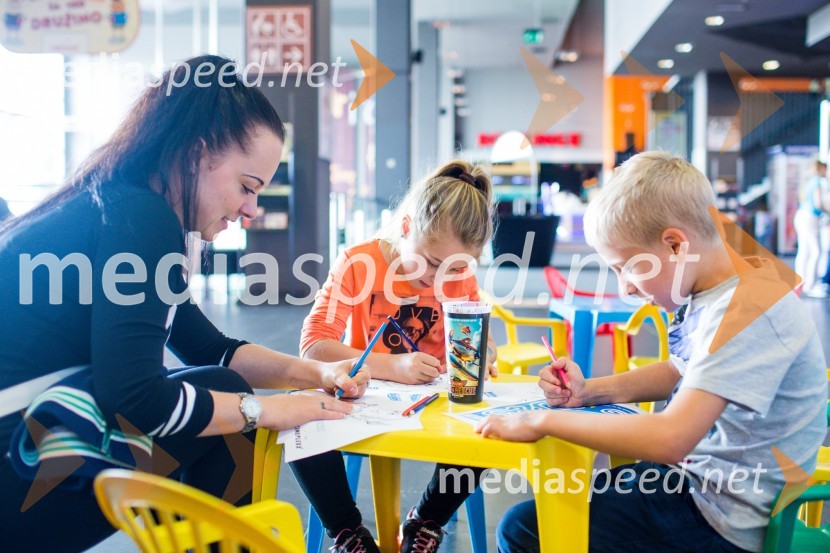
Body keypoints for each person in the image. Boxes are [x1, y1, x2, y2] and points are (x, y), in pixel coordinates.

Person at [0, 55, 369, 553]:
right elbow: (136, 402)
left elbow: (209, 347)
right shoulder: (141, 220)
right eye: (246, 186)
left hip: (31, 443)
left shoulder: (118, 201)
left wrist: (315, 376)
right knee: (228, 409)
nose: (250, 209)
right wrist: (268, 410)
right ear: (197, 154)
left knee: (219, 388)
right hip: (20, 470)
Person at [476, 152, 827, 553]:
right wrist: (587, 392)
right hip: (701, 486)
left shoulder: (747, 309)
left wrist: (541, 421)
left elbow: (671, 437)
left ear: (675, 245)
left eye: (627, 267)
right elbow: (680, 370)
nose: (624, 287)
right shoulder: (720, 291)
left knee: (526, 529)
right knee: (563, 498)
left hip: (726, 521)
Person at [292, 160, 498, 553]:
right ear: (406, 228)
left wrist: (482, 353)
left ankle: (427, 521)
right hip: (360, 396)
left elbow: (478, 338)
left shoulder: (458, 275)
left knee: (492, 423)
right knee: (295, 413)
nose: (440, 279)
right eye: (432, 262)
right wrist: (392, 367)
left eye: (455, 269)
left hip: (434, 401)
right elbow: (314, 345)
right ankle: (348, 533)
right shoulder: (360, 262)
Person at [794, 159, 829, 298]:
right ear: (821, 168)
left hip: (801, 216)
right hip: (810, 218)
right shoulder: (817, 182)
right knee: (816, 251)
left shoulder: (807, 181)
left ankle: (799, 285)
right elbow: (818, 203)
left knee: (804, 251)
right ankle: (810, 285)